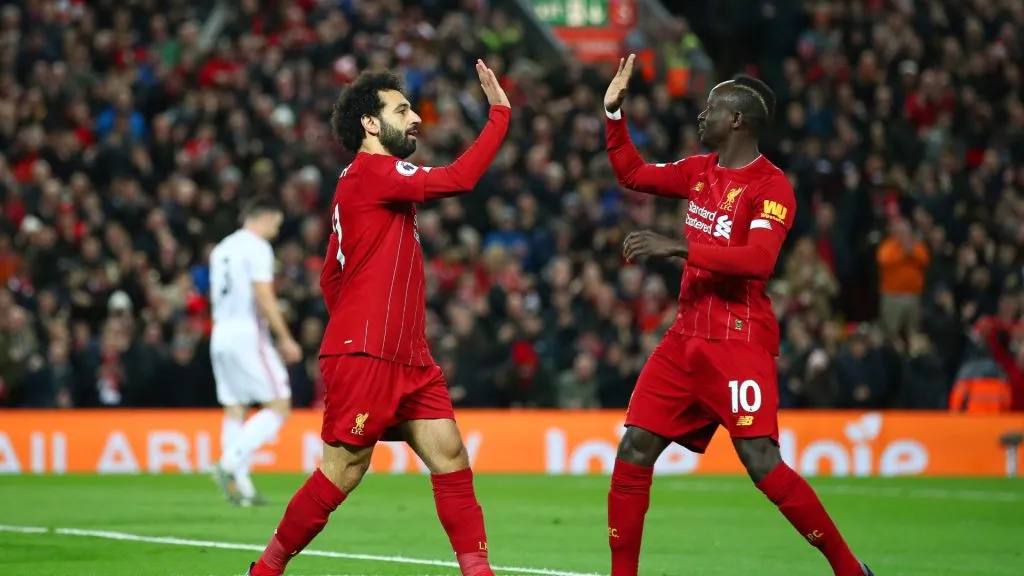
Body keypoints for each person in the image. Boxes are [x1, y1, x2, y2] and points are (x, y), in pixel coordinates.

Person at [603, 54, 873, 576]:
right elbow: (632, 173)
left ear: (737, 120)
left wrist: (678, 248)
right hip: (686, 338)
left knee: (761, 463)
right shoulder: (699, 171)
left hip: (738, 338)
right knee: (634, 446)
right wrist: (614, 115)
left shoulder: (772, 187)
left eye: (711, 108)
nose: (701, 116)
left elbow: (758, 261)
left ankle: (848, 568)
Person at [244, 60, 511, 576]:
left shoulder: (364, 187)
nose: (415, 120)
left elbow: (330, 276)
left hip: (408, 356)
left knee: (451, 456)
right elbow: (459, 178)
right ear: (371, 123)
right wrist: (499, 113)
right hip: (369, 354)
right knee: (344, 469)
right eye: (403, 110)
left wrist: (356, 320)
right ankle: (266, 570)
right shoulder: (373, 172)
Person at [209, 197, 302, 507]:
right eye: (275, 224)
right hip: (247, 334)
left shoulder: (221, 248)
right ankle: (228, 463)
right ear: (264, 218)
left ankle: (242, 487)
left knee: (235, 408)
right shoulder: (257, 247)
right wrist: (285, 338)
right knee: (280, 406)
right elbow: (263, 295)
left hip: (220, 333)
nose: (276, 231)